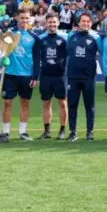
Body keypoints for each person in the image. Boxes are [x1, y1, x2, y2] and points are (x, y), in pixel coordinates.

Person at [0, 9, 42, 141]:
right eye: (22, 18)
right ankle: (6, 132)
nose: (24, 21)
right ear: (17, 18)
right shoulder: (9, 34)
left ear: (30, 20)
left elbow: (37, 58)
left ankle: (22, 132)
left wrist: (35, 76)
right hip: (10, 74)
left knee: (25, 102)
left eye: (27, 18)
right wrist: (2, 58)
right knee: (7, 102)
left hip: (26, 76)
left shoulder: (34, 37)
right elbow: (1, 50)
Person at [66, 13, 102, 142]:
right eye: (83, 21)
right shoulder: (71, 36)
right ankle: (72, 132)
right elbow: (66, 52)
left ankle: (89, 132)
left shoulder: (96, 37)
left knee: (89, 106)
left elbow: (102, 52)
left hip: (89, 77)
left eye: (88, 21)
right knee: (72, 105)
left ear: (91, 23)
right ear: (79, 23)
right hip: (72, 77)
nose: (85, 23)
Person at [38, 12, 68, 140]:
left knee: (62, 103)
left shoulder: (65, 38)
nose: (52, 24)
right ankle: (47, 131)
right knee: (46, 104)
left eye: (54, 22)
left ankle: (62, 130)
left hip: (60, 76)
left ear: (58, 23)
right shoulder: (41, 39)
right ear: (46, 23)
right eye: (50, 22)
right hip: (45, 76)